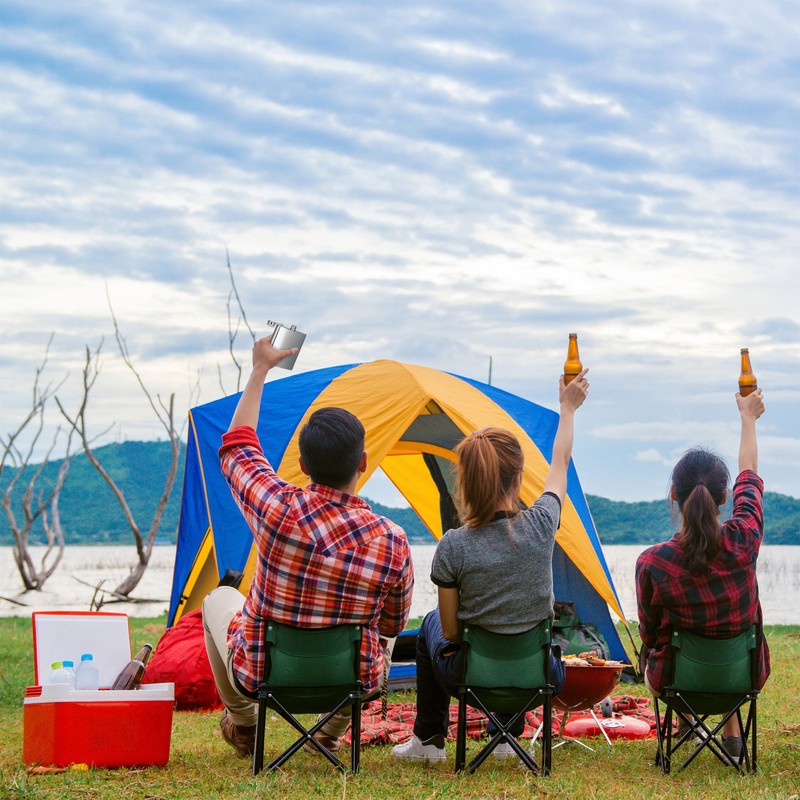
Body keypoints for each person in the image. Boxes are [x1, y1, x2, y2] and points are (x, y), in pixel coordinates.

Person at [203, 336, 414, 759]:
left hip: (264, 673)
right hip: (350, 679)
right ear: (363, 463)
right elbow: (391, 626)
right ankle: (330, 733)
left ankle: (244, 722)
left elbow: (237, 446)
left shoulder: (276, 508)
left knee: (218, 598)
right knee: (383, 633)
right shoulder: (393, 540)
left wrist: (260, 368)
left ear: (302, 466)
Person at [392, 368, 590, 763]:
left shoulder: (453, 546)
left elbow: (450, 630)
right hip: (539, 676)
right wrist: (567, 408)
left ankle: (429, 741)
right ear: (518, 479)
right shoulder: (542, 524)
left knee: (432, 622)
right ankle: (505, 737)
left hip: (470, 676)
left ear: (465, 482)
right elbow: (561, 462)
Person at [635, 388, 770, 761]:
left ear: (674, 498)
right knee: (723, 638)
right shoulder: (744, 539)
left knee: (661, 644)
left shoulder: (652, 562)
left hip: (678, 683)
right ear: (724, 496)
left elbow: (650, 634)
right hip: (742, 679)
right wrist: (748, 418)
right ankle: (732, 734)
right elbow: (750, 476)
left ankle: (685, 723)